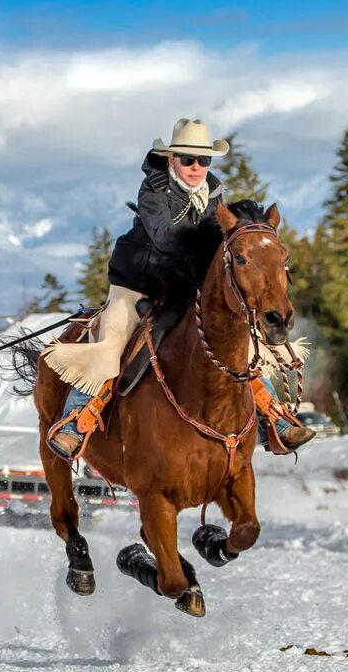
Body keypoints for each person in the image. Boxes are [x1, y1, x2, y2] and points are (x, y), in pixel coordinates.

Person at [42, 118, 314, 460]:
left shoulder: (213, 190)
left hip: (185, 288)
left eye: (204, 160)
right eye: (187, 159)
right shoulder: (153, 190)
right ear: (171, 160)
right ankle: (77, 420)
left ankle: (273, 416)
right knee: (112, 344)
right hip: (137, 285)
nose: (196, 167)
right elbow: (167, 241)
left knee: (242, 346)